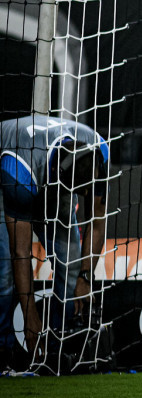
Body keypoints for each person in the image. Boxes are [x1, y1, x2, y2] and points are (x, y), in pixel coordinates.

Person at [0, 115, 109, 368]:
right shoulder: (18, 172)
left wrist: (85, 278)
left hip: (46, 171)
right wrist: (30, 315)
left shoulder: (98, 152)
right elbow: (21, 252)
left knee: (71, 267)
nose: (81, 197)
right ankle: (3, 351)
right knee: (4, 272)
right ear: (58, 177)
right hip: (11, 174)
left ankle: (59, 349)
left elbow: (97, 222)